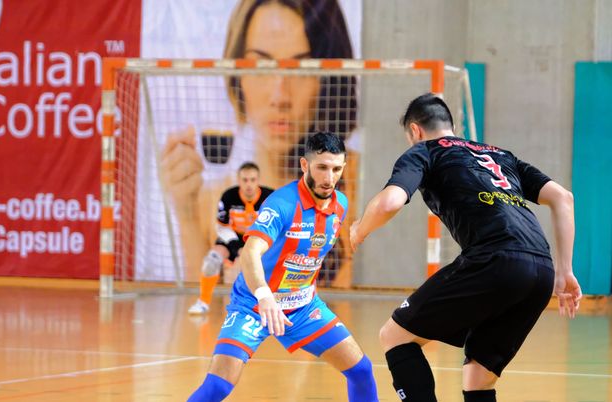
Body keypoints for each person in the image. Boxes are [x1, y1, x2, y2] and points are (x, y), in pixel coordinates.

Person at [349, 93, 582, 402]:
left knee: (394, 336)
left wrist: (359, 229)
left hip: (495, 259)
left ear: (415, 131)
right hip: (541, 270)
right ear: (453, 126)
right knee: (478, 378)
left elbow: (390, 202)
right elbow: (563, 198)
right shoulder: (501, 155)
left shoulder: (425, 151)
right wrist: (564, 271)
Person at [161, 0, 358, 286]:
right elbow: (200, 306)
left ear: (328, 80)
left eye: (301, 69)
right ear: (238, 76)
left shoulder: (362, 185)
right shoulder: (215, 201)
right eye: (262, 66)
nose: (280, 96)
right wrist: (186, 213)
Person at [187, 132, 378, 401]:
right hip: (254, 305)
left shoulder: (340, 205)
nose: (329, 178)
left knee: (361, 370)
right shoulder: (282, 204)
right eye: (322, 167)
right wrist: (264, 295)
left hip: (303, 307)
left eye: (336, 169)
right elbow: (250, 252)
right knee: (218, 386)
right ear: (304, 165)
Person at [188, 162, 274, 314]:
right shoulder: (228, 196)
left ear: (258, 180)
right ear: (238, 180)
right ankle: (203, 302)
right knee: (211, 261)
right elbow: (221, 226)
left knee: (272, 267)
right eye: (245, 180)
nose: (249, 184)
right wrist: (236, 246)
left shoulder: (270, 198)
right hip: (234, 236)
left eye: (253, 180)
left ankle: (273, 305)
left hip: (259, 238)